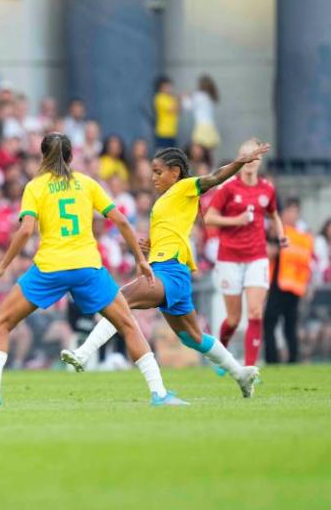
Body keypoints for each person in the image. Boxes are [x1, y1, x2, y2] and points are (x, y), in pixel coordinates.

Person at [0, 133, 185, 408]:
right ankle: (159, 393)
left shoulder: (35, 187)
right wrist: (141, 259)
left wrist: (2, 266)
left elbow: (25, 231)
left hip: (49, 268)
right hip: (87, 268)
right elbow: (121, 221)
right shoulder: (86, 183)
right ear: (71, 157)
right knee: (128, 325)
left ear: (43, 157)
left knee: (1, 323)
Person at [60, 144, 269, 397]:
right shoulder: (168, 199)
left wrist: (239, 162)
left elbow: (214, 178)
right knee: (192, 337)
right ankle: (240, 374)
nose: (153, 177)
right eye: (152, 172)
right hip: (169, 270)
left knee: (118, 300)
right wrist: (151, 244)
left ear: (175, 171)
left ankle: (83, 354)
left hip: (170, 272)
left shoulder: (185, 186)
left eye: (158, 172)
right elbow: (173, 232)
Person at [205, 139, 286, 367]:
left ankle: (250, 369)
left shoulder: (267, 188)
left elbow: (274, 215)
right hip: (229, 257)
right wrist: (236, 220)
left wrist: (281, 235)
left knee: (256, 312)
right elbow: (209, 217)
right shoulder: (228, 188)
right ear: (240, 159)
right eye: (245, 155)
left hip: (257, 257)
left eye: (254, 156)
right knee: (233, 319)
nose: (250, 160)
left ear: (259, 160)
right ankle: (222, 353)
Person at [264, 198, 314, 364]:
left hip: (285, 285)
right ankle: (288, 360)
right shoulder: (304, 237)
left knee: (278, 324)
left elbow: (271, 250)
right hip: (288, 285)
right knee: (286, 326)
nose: (291, 215)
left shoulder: (288, 233)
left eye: (294, 212)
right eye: (289, 211)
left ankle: (277, 360)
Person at [152, 75, 179, 149]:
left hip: (172, 132)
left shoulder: (170, 98)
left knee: (171, 156)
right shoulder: (160, 97)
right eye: (167, 86)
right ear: (161, 87)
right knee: (163, 156)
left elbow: (178, 109)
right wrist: (179, 98)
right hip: (163, 132)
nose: (170, 88)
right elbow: (172, 109)